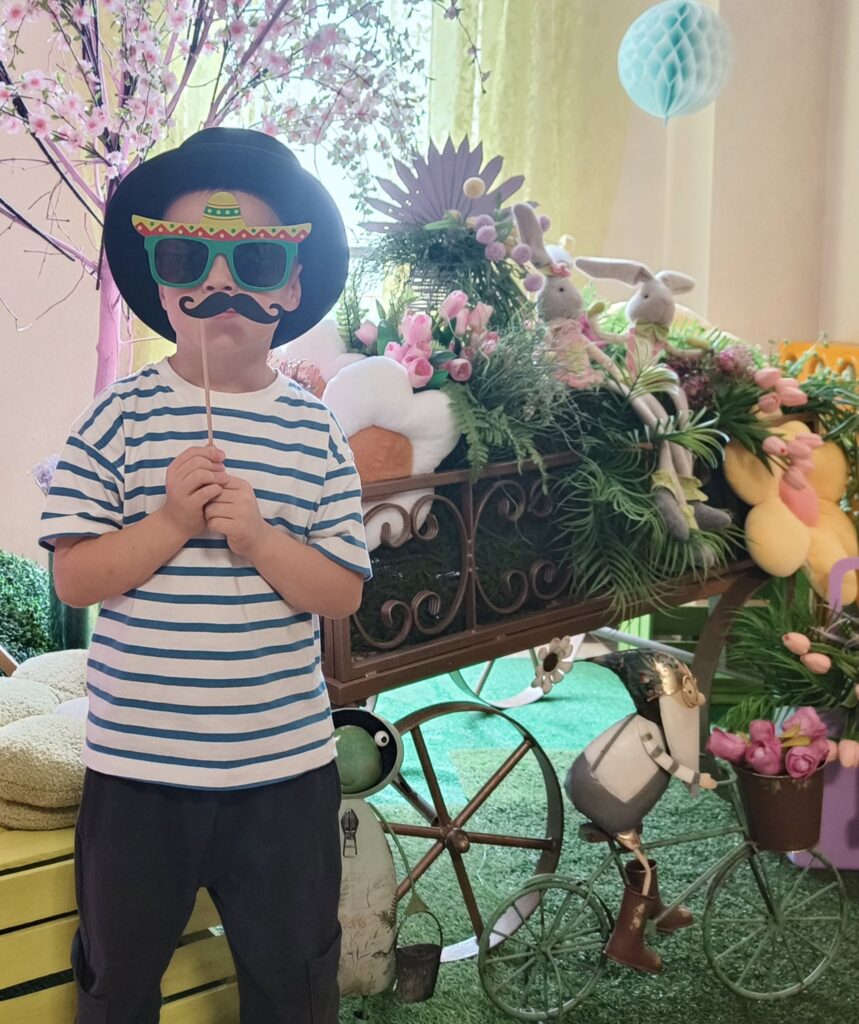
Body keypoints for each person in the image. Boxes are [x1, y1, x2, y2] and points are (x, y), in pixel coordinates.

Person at [39, 127, 371, 1024]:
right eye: (189, 258)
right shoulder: (117, 418)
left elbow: (341, 591)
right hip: (137, 772)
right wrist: (169, 524)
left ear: (290, 286)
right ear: (160, 283)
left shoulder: (314, 431)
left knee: (293, 975)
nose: (220, 282)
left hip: (283, 771)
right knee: (119, 976)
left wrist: (258, 538)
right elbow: (75, 580)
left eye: (254, 261)